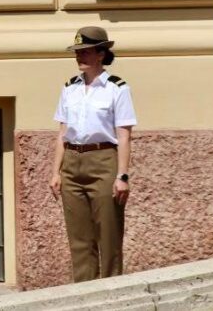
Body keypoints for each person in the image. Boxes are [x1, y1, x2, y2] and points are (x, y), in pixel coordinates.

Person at [48, 26, 136, 282]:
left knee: (108, 235)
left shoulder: (117, 88)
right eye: (77, 52)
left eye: (85, 51)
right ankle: (84, 295)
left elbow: (124, 135)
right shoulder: (69, 88)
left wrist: (122, 176)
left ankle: (112, 295)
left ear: (101, 54)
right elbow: (62, 134)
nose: (80, 57)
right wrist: (56, 172)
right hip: (72, 163)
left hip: (103, 160)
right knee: (79, 239)